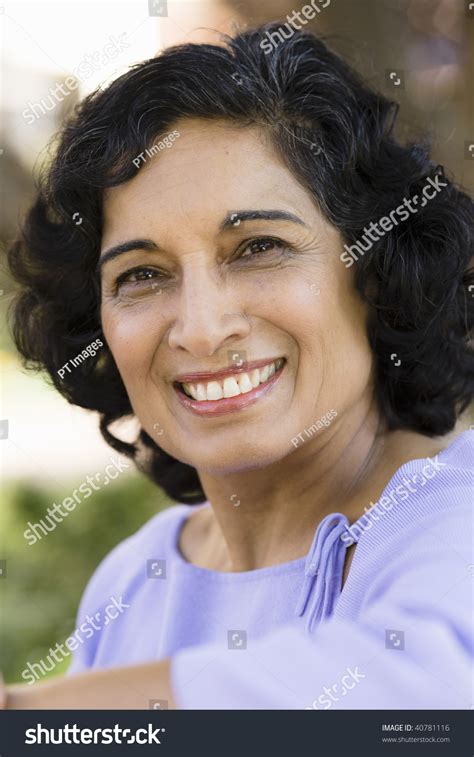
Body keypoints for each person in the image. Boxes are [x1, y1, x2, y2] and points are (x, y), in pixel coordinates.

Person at [5, 25, 473, 709]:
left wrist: (31, 716)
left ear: (375, 269)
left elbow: (425, 702)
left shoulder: (453, 516)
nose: (200, 327)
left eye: (258, 246)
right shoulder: (136, 582)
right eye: (141, 274)